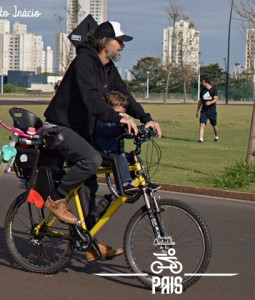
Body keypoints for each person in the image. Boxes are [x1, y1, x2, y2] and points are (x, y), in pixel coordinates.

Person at [42, 20, 162, 261]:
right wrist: (117, 119)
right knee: (92, 159)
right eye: (120, 42)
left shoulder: (108, 68)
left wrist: (147, 118)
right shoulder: (84, 62)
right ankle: (55, 199)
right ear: (105, 42)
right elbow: (92, 101)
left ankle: (88, 243)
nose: (122, 47)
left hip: (81, 131)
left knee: (89, 185)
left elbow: (126, 95)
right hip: (59, 127)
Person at [93, 90, 161, 193]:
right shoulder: (103, 122)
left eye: (123, 112)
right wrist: (122, 127)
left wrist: (145, 129)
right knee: (120, 157)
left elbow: (129, 132)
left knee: (135, 159)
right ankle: (124, 184)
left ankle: (144, 182)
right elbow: (110, 131)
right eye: (117, 113)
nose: (121, 115)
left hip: (115, 152)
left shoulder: (120, 124)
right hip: (103, 153)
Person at [195, 78, 219, 143]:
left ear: (206, 83)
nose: (202, 83)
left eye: (203, 82)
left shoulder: (214, 90)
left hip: (212, 111)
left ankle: (216, 136)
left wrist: (210, 102)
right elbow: (200, 101)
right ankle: (201, 139)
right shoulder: (202, 90)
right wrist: (197, 110)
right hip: (204, 111)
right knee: (202, 124)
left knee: (214, 125)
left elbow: (216, 99)